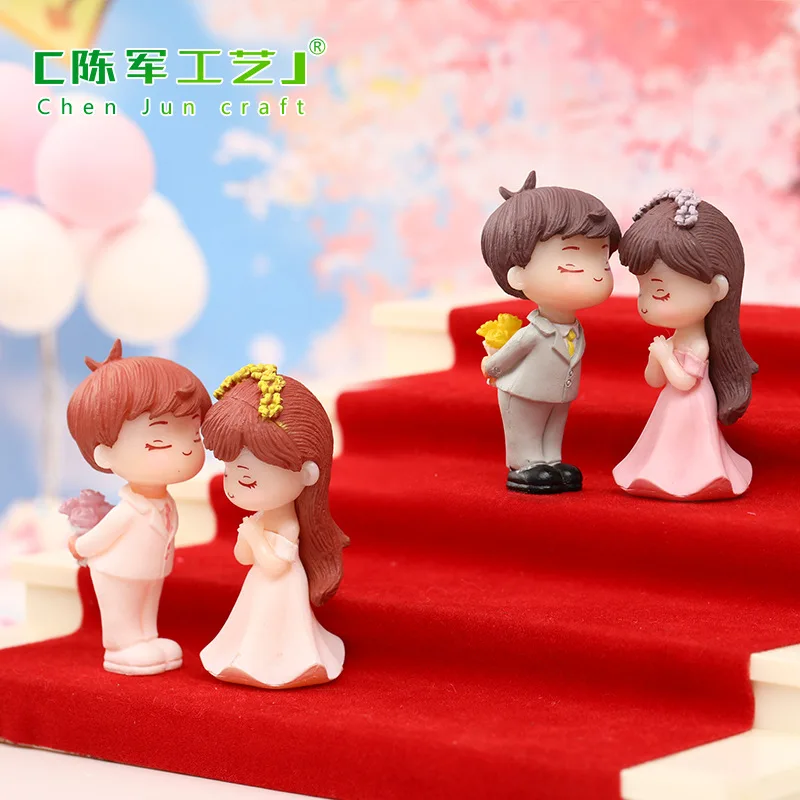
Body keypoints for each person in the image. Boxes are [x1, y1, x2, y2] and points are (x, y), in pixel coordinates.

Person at [65, 339, 211, 674]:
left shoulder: (164, 501)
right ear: (104, 453)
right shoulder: (128, 510)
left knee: (147, 606)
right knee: (123, 609)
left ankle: (147, 638)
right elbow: (101, 537)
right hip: (117, 570)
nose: (186, 449)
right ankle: (121, 646)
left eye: (194, 435)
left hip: (152, 568)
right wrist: (80, 547)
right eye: (158, 441)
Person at [200, 364, 348, 689]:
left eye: (248, 479)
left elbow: (277, 566)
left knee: (276, 629)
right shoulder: (261, 517)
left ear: (307, 473)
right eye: (229, 473)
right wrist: (247, 539)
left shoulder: (288, 524)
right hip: (260, 584)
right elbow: (243, 558)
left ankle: (279, 664)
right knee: (254, 627)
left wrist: (255, 537)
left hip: (281, 587)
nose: (234, 487)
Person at [480, 170, 621, 494]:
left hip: (559, 393)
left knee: (554, 426)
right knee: (526, 428)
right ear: (518, 274)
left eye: (603, 260)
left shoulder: (575, 329)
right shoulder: (532, 333)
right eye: (572, 262)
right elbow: (505, 359)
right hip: (524, 392)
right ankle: (524, 463)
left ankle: (552, 460)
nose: (597, 274)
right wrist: (491, 366)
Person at [613, 188, 758, 500]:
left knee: (690, 449)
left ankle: (693, 478)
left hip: (691, 405)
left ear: (717, 288)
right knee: (665, 445)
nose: (646, 304)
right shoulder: (676, 337)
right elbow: (654, 381)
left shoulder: (699, 344)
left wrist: (665, 357)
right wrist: (655, 359)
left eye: (660, 292)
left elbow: (684, 382)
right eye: (642, 291)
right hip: (672, 403)